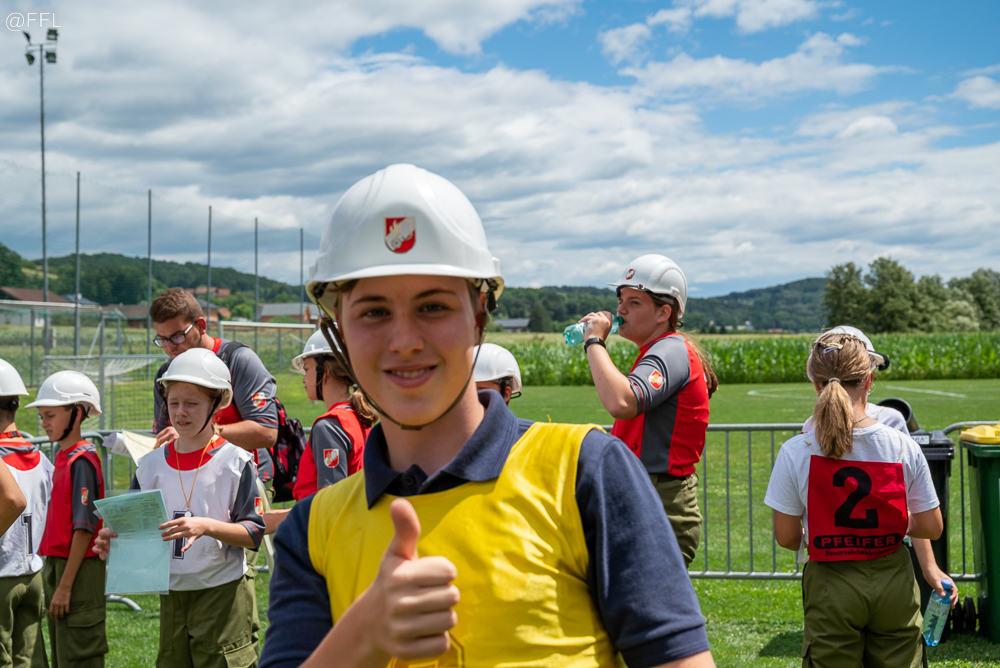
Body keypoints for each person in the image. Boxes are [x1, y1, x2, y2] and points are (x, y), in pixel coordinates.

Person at [260, 164, 714, 668]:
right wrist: (360, 637)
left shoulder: (588, 474)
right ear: (339, 331)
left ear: (478, 317)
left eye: (433, 307)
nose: (405, 340)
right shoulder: (312, 531)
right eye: (374, 311)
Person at [764, 332, 943, 666]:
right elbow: (931, 527)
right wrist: (888, 518)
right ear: (869, 380)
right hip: (893, 578)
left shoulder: (796, 450)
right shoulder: (902, 445)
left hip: (830, 583)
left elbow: (786, 537)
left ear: (816, 384)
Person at [93, 348, 265, 668]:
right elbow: (136, 532)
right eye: (173, 403)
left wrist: (206, 526)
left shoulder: (236, 462)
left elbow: (254, 532)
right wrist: (113, 542)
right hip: (171, 596)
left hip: (222, 594)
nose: (180, 413)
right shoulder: (150, 465)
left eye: (192, 403)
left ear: (217, 404)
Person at [802, 325, 957, 610]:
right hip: (868, 560)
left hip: (847, 561)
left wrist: (929, 567)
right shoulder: (817, 428)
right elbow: (913, 507)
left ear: (816, 381)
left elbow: (906, 499)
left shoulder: (813, 430)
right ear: (868, 377)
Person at [578, 255, 718, 567]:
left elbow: (622, 402)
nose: (620, 310)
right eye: (621, 300)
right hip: (648, 491)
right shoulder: (661, 350)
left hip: (661, 499)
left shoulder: (670, 350)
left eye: (634, 302)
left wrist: (594, 342)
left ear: (663, 313)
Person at [150, 288, 278, 487]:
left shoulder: (238, 360)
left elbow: (266, 432)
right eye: (163, 339)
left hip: (246, 481)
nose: (170, 347)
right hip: (191, 481)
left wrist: (203, 432)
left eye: (177, 336)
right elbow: (164, 435)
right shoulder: (166, 372)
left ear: (201, 325)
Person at [26, 371, 107, 668]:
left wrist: (65, 586)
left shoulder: (81, 461)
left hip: (78, 570)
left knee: (79, 654)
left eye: (50, 415)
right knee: (64, 654)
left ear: (77, 413)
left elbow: (84, 529)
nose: (44, 423)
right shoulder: (64, 457)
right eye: (42, 416)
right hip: (59, 565)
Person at [1, 358, 49, 668]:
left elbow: (12, 500)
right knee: (29, 661)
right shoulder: (42, 457)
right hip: (33, 573)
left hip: (2, 575)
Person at [291, 330, 376, 501]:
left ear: (325, 370)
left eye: (306, 369)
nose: (303, 379)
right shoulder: (356, 416)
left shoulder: (329, 426)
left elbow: (332, 503)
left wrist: (285, 515)